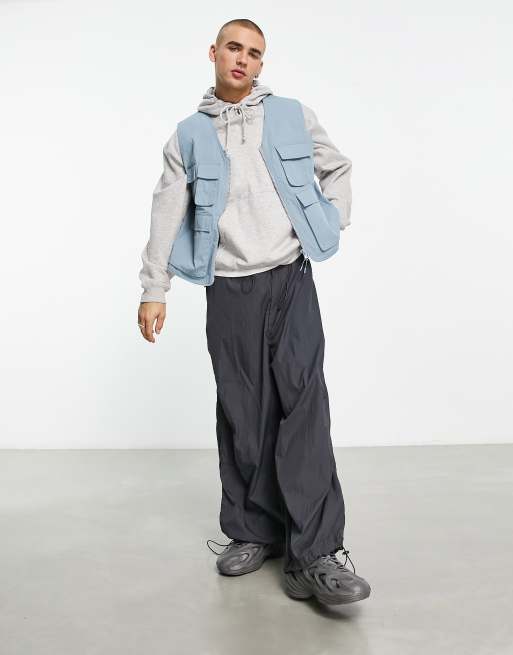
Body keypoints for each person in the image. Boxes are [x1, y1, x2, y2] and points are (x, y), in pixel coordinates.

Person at [137, 18, 371, 606]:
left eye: (255, 53)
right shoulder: (188, 135)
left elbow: (337, 168)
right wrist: (154, 287)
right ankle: (252, 531)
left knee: (304, 407)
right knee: (244, 413)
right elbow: (167, 210)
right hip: (228, 287)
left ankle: (316, 554)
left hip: (290, 277)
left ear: (262, 64)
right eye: (234, 48)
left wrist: (330, 218)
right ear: (214, 53)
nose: (243, 59)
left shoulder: (290, 114)